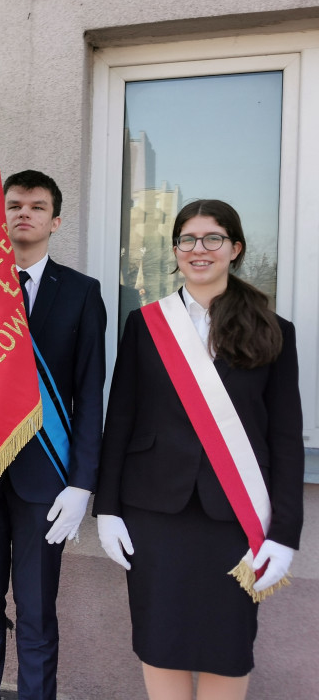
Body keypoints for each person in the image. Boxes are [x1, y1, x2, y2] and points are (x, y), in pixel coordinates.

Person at [95, 199, 303, 700]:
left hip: (235, 516)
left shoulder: (275, 330)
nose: (199, 249)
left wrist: (285, 532)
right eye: (187, 239)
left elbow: (285, 437)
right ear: (175, 250)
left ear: (235, 248)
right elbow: (119, 419)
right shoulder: (145, 325)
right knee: (159, 641)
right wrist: (107, 510)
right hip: (154, 512)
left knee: (227, 645)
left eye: (213, 239)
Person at [0, 170, 107, 700]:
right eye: (15, 204)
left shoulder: (83, 293)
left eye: (37, 206)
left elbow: (90, 394)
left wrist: (82, 483)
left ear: (56, 220)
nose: (25, 213)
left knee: (37, 612)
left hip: (46, 480)